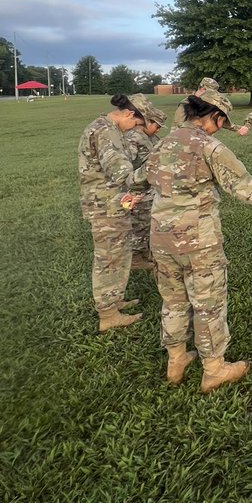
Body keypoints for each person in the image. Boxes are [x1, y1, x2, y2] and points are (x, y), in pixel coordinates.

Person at [147, 91, 252, 390]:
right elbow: (242, 185)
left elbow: (141, 176)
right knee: (208, 304)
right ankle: (214, 369)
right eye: (222, 122)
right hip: (197, 240)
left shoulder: (164, 142)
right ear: (214, 116)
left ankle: (176, 360)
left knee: (173, 301)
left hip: (161, 237)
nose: (220, 128)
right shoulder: (210, 147)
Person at [78, 94, 151, 332]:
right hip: (105, 207)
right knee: (109, 258)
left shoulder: (107, 127)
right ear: (129, 114)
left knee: (118, 254)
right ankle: (108, 315)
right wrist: (155, 169)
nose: (136, 129)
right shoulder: (105, 131)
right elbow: (120, 171)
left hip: (113, 203)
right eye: (138, 124)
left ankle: (114, 299)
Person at [123, 94, 168, 269]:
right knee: (139, 222)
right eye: (155, 125)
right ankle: (136, 257)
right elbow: (126, 164)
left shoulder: (148, 136)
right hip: (137, 187)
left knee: (148, 221)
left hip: (149, 186)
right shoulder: (133, 137)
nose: (157, 129)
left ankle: (146, 253)